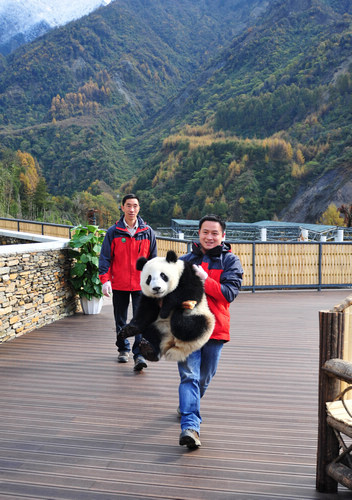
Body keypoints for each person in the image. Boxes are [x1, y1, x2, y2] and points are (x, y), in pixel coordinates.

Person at [178, 214, 243, 449]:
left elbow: (228, 294)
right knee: (189, 377)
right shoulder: (184, 260)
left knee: (204, 377)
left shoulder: (230, 261)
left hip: (215, 329)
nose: (209, 237)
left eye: (214, 233)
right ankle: (190, 426)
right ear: (199, 234)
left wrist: (205, 280)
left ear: (223, 236)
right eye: (205, 232)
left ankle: (188, 404)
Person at [99, 194, 157, 371]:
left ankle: (138, 354)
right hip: (120, 283)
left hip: (142, 285)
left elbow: (153, 260)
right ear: (122, 207)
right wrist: (105, 280)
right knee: (121, 319)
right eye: (128, 206)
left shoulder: (148, 232)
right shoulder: (113, 232)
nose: (132, 209)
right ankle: (123, 349)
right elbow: (105, 258)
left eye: (135, 206)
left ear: (139, 208)